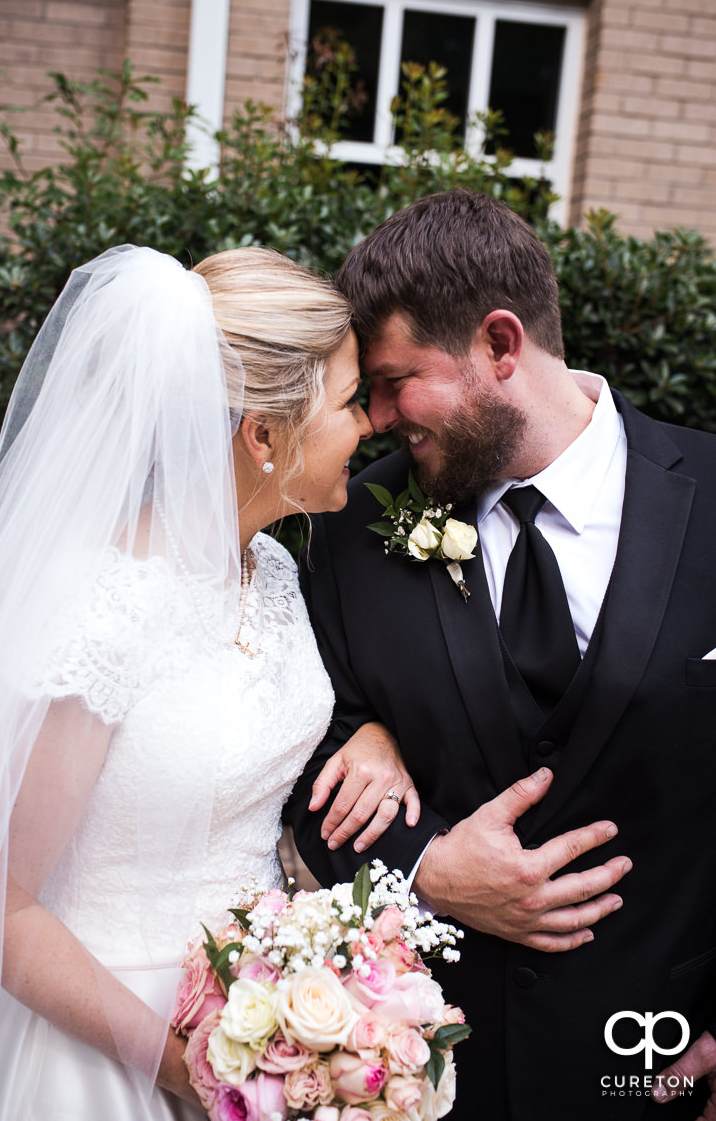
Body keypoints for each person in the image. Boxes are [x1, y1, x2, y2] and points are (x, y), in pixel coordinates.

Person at [0, 243, 419, 1121]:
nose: (371, 424)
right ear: (264, 435)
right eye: (347, 402)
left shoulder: (268, 567)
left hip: (262, 1026)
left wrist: (376, 736)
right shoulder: (102, 608)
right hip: (98, 1055)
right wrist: (187, 1067)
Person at [286, 189, 716, 1120]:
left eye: (396, 381)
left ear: (498, 343)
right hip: (426, 1071)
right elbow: (289, 762)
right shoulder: (352, 528)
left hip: (655, 1059)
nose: (377, 417)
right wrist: (423, 866)